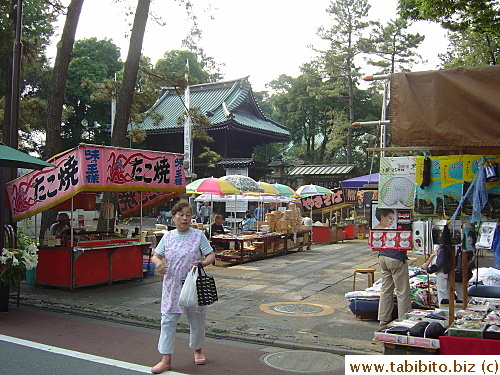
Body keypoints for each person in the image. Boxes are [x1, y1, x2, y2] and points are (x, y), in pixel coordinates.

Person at [150, 201, 215, 374]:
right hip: (172, 286)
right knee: (168, 321)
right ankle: (166, 359)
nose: (185, 218)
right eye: (181, 215)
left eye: (188, 214)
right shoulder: (168, 236)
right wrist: (159, 264)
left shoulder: (198, 235)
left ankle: (198, 350)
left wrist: (204, 263)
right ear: (173, 218)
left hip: (194, 285)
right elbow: (155, 256)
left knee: (197, 321)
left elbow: (210, 254)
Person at [377, 249, 412, 326]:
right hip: (397, 257)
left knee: (386, 289)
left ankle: (383, 318)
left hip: (382, 256)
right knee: (402, 290)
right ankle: (404, 318)